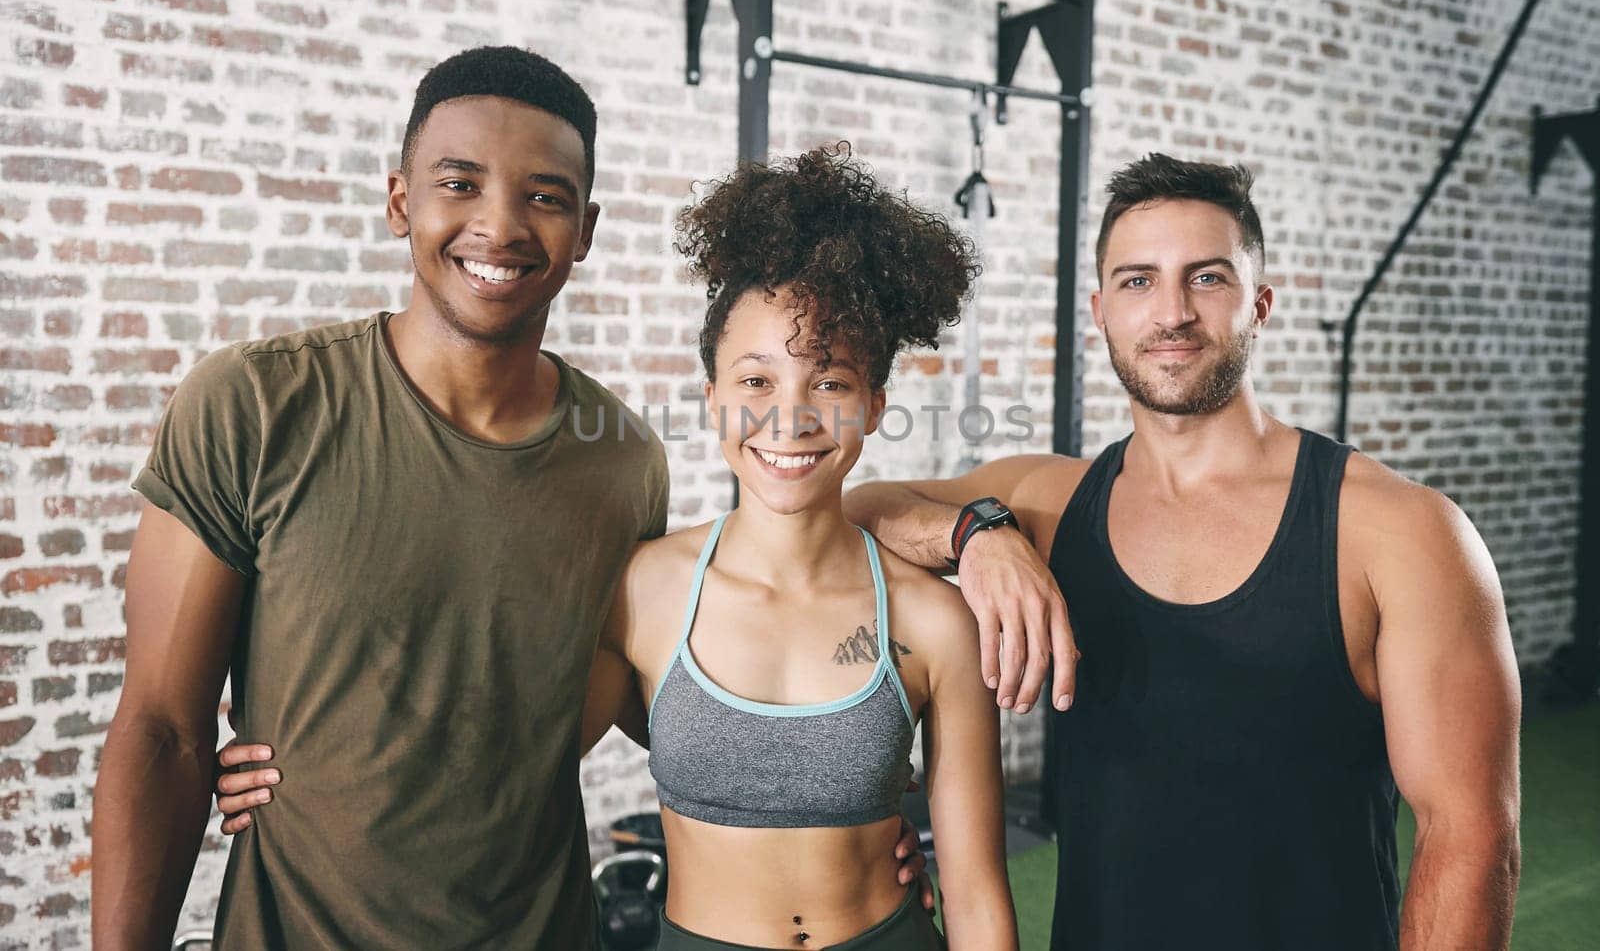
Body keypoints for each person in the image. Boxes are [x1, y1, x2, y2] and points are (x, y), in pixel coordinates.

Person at [90, 48, 930, 949]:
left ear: (587, 226)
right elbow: (164, 734)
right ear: (400, 198)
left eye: (544, 196)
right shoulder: (254, 405)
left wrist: (849, 819)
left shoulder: (622, 465)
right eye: (459, 182)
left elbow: (687, 679)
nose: (499, 225)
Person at [219, 146, 1018, 950]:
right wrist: (309, 764)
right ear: (711, 401)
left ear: (875, 404)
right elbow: (508, 764)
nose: (792, 417)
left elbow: (981, 899)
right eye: (755, 382)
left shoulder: (934, 620)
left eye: (832, 382)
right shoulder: (645, 590)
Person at [843, 153, 1524, 950]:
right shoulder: (1051, 504)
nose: (1171, 313)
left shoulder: (1399, 532)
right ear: (1100, 311)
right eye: (1137, 282)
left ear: (1259, 304)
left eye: (1206, 278)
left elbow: (1471, 838)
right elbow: (858, 508)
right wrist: (977, 533)